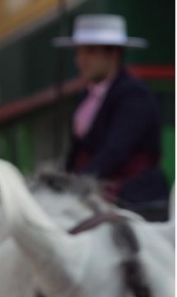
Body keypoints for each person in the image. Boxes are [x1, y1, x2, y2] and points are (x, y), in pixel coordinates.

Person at [54, 14, 168, 208]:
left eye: (90, 52)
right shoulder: (85, 97)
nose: (81, 60)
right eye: (78, 53)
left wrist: (80, 183)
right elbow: (77, 151)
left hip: (135, 197)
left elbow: (116, 149)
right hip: (93, 191)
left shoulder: (134, 94)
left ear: (113, 54)